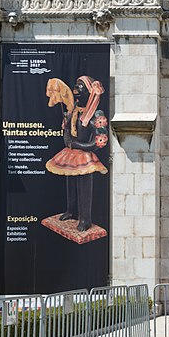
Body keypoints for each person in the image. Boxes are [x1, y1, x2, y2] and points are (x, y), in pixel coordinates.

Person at [45, 75, 108, 232]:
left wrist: (78, 145)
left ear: (89, 91)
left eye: (81, 86)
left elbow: (99, 141)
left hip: (84, 155)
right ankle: (71, 210)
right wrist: (67, 132)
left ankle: (85, 218)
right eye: (76, 85)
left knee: (83, 185)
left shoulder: (96, 114)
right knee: (70, 182)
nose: (76, 88)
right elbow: (67, 134)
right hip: (71, 153)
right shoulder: (73, 111)